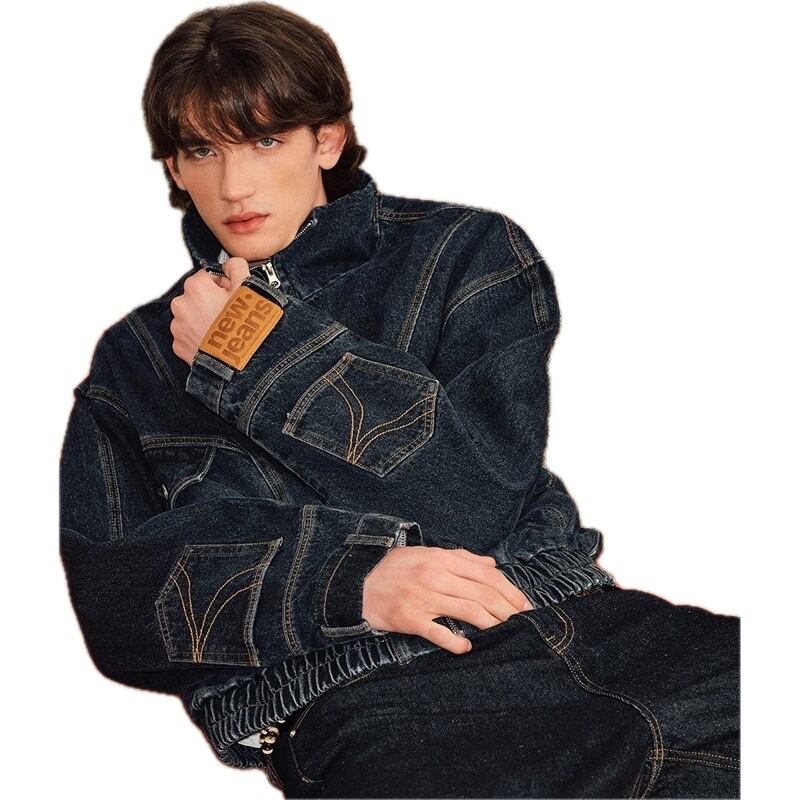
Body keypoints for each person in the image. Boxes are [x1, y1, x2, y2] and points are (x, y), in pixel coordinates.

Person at [59, 2, 740, 797]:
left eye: (266, 139)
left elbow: (479, 498)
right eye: (203, 150)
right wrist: (349, 584)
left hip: (606, 635)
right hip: (378, 702)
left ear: (327, 140)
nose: (233, 184)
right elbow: (120, 605)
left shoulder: (465, 253)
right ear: (175, 169)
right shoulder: (134, 364)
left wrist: (251, 345)